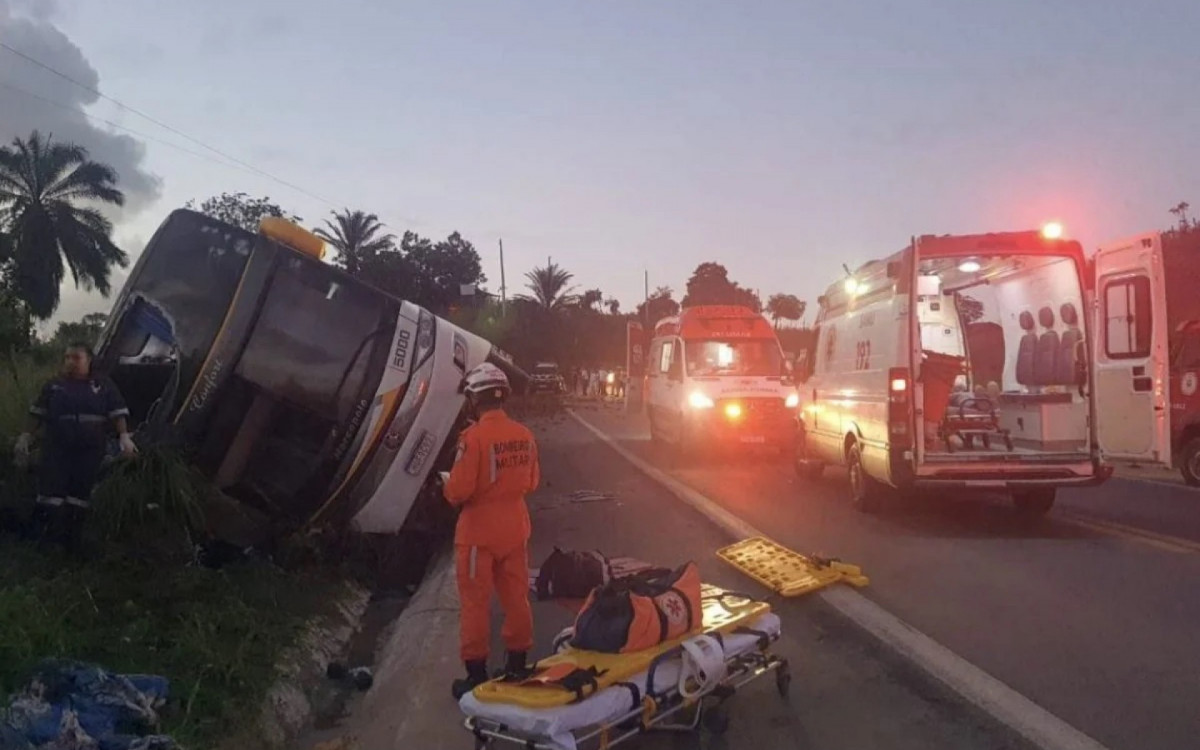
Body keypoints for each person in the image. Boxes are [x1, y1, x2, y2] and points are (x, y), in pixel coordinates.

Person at [444, 362, 540, 699]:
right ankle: (517, 664)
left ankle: (476, 674)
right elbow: (531, 481)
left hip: (478, 535)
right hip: (514, 528)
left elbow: (458, 491)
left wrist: (445, 485)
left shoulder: (473, 439)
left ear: (474, 399)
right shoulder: (524, 435)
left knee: (475, 604)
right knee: (516, 598)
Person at [13, 342, 137, 546]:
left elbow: (117, 412)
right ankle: (43, 541)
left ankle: (72, 542)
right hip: (57, 447)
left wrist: (124, 437)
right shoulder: (54, 385)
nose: (71, 362)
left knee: (81, 493)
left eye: (76, 358)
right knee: (51, 492)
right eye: (67, 358)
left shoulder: (103, 385)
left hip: (90, 449)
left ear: (89, 360)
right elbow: (38, 414)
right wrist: (25, 436)